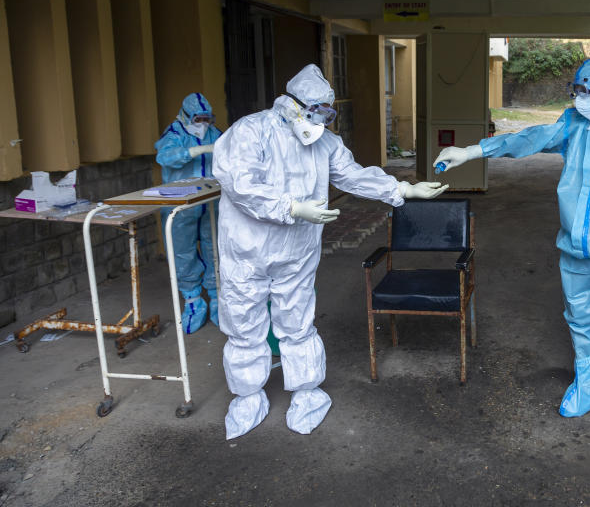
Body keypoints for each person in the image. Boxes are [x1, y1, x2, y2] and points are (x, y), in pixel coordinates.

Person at [434, 58, 590, 427]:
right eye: (576, 90)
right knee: (579, 318)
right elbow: (530, 137)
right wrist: (471, 152)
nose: (581, 98)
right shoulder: (572, 124)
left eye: (587, 91)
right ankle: (589, 382)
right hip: (576, 245)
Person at [213, 63, 448, 439]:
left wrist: (402, 190)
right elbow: (240, 183)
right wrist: (291, 207)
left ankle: (306, 392)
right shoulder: (250, 131)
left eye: (327, 111)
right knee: (244, 322)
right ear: (292, 105)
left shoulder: (323, 141)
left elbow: (354, 175)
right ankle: (247, 396)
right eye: (317, 110)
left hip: (297, 251)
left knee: (297, 320)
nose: (322, 119)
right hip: (247, 250)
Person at [155, 92, 221, 334]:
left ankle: (217, 299)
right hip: (180, 206)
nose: (202, 125)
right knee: (182, 252)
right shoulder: (174, 133)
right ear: (185, 116)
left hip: (211, 202)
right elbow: (165, 157)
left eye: (207, 119)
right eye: (198, 119)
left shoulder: (215, 133)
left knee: (215, 248)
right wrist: (195, 151)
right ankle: (193, 302)